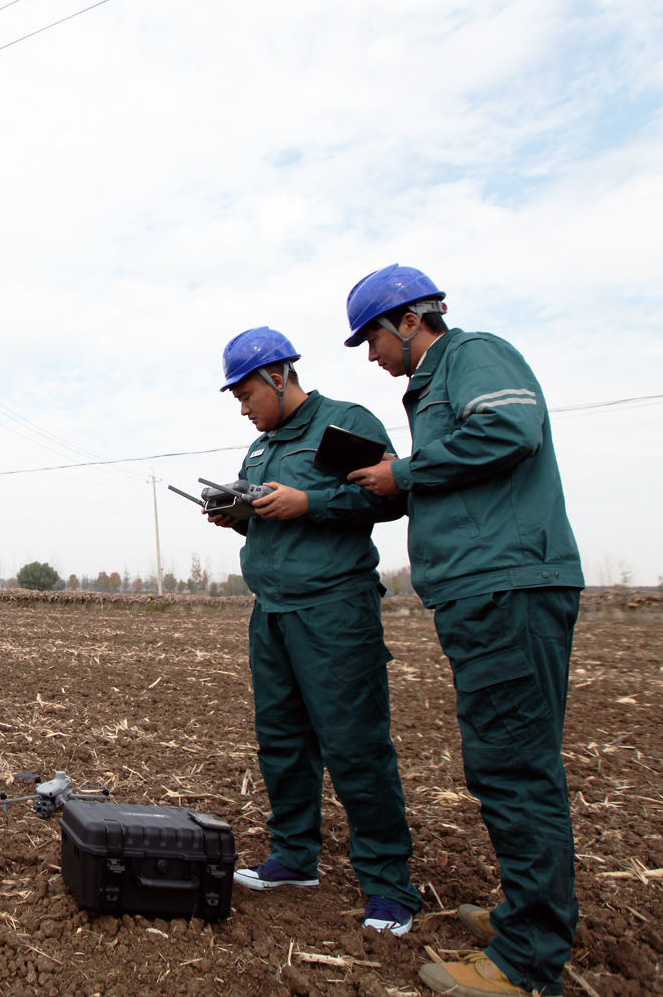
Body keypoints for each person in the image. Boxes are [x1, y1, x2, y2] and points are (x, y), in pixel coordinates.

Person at [342, 265, 583, 997]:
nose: (372, 357)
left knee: (513, 767)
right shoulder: (436, 381)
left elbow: (511, 428)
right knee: (509, 759)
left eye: (372, 339)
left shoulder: (475, 354)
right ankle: (528, 913)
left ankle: (527, 961)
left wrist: (406, 473)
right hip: (485, 590)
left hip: (507, 584)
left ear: (410, 321)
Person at [206, 326, 422, 936]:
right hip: (270, 611)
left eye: (247, 394)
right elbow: (276, 522)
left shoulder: (343, 425)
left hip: (334, 610)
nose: (244, 409)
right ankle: (294, 859)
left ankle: (389, 887)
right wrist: (241, 519)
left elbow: (387, 500)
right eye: (237, 401)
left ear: (279, 376)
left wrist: (311, 503)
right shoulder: (259, 451)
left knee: (355, 745)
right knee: (281, 740)